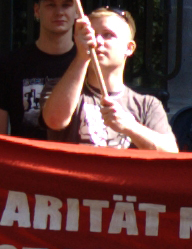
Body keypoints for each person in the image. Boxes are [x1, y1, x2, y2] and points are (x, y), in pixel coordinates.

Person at [40, 9, 176, 150]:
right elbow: (54, 121)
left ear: (129, 48)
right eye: (92, 35)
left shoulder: (147, 105)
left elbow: (170, 153)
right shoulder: (59, 88)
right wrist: (81, 57)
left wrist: (129, 126)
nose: (97, 41)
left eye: (107, 35)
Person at [0, 0, 81, 137]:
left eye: (66, 5)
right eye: (51, 5)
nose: (59, 12)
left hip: (72, 161)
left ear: (77, 12)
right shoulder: (7, 66)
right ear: (37, 11)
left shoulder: (90, 64)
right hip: (24, 160)